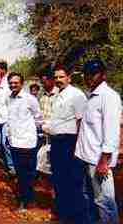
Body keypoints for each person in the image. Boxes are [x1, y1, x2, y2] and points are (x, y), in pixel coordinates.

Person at [75, 60, 121, 224]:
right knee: (90, 198)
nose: (89, 78)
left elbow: (111, 133)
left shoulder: (109, 97)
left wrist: (104, 161)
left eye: (93, 74)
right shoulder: (92, 96)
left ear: (103, 75)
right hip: (85, 157)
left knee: (105, 202)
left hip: (98, 160)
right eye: (86, 74)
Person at [43, 64, 87, 223]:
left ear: (69, 77)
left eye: (61, 77)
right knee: (58, 179)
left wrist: (77, 146)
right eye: (55, 77)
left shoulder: (77, 95)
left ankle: (74, 216)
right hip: (56, 142)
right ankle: (62, 213)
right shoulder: (57, 95)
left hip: (70, 143)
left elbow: (81, 122)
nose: (58, 80)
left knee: (71, 181)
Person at [5, 72, 42, 212]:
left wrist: (36, 136)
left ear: (22, 83)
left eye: (16, 82)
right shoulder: (9, 99)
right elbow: (9, 120)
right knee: (20, 173)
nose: (13, 85)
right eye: (11, 82)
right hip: (14, 142)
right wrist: (8, 138)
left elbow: (38, 117)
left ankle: (25, 201)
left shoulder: (30, 99)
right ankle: (26, 197)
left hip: (27, 143)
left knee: (27, 173)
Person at [0, 62, 15, 175]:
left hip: (6, 120)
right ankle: (6, 164)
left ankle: (12, 168)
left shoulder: (7, 85)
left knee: (5, 143)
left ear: (4, 70)